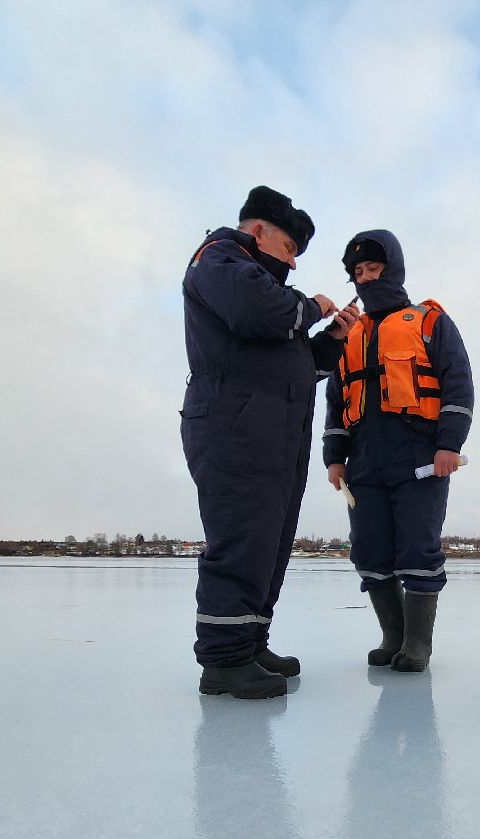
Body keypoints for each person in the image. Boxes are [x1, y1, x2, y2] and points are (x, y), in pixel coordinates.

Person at [181, 185, 360, 699]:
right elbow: (263, 311)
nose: (294, 266)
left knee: (269, 543)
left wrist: (332, 340)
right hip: (234, 428)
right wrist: (315, 307)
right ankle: (223, 660)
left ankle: (249, 639)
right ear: (258, 232)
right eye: (289, 251)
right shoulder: (217, 258)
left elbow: (295, 366)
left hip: (271, 433)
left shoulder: (254, 281)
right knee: (241, 537)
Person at [322, 230, 474, 672]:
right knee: (368, 552)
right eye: (359, 273)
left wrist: (450, 444)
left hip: (420, 458)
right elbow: (336, 401)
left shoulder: (429, 321)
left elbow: (458, 383)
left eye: (374, 269)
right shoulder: (349, 334)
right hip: (364, 461)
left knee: (417, 550)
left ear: (393, 269)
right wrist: (335, 457)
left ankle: (417, 643)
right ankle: (392, 635)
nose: (366, 278)